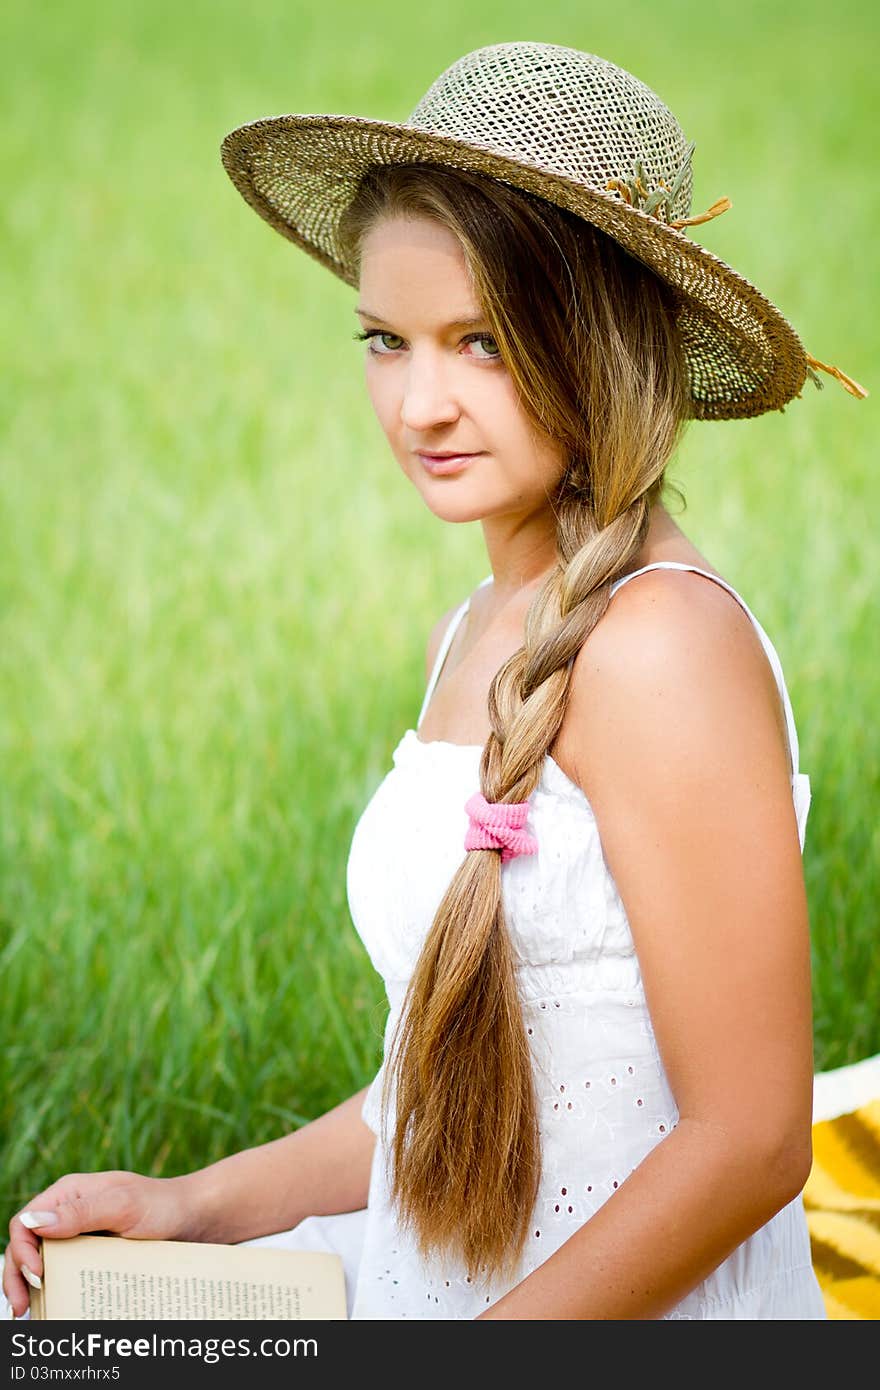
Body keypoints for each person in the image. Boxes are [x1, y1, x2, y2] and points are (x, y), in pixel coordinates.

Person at [3, 41, 867, 1322]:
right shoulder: (470, 631)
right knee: (49, 1327)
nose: (418, 405)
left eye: (480, 343)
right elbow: (441, 1103)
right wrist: (194, 1203)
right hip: (434, 1281)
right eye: (385, 339)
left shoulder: (664, 654)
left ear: (604, 339)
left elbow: (747, 1143)